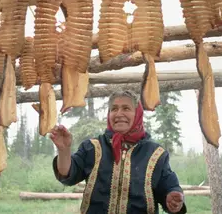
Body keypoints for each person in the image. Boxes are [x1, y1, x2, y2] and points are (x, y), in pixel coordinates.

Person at [50, 90, 187, 214]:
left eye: (126, 108)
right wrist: (64, 150)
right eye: (114, 109)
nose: (119, 114)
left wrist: (174, 198)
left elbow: (169, 186)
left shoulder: (156, 154)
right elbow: (67, 174)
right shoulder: (92, 147)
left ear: (137, 114)